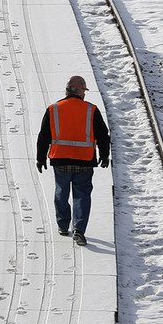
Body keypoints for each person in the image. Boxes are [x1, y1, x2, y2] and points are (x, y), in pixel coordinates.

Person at [36, 74, 110, 246]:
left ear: (68, 91)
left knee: (61, 192)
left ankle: (63, 225)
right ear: (80, 91)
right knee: (82, 195)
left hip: (60, 160)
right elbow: (103, 135)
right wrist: (105, 155)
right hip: (84, 161)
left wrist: (40, 158)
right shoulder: (91, 110)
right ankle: (79, 229)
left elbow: (43, 136)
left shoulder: (53, 109)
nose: (84, 94)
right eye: (84, 91)